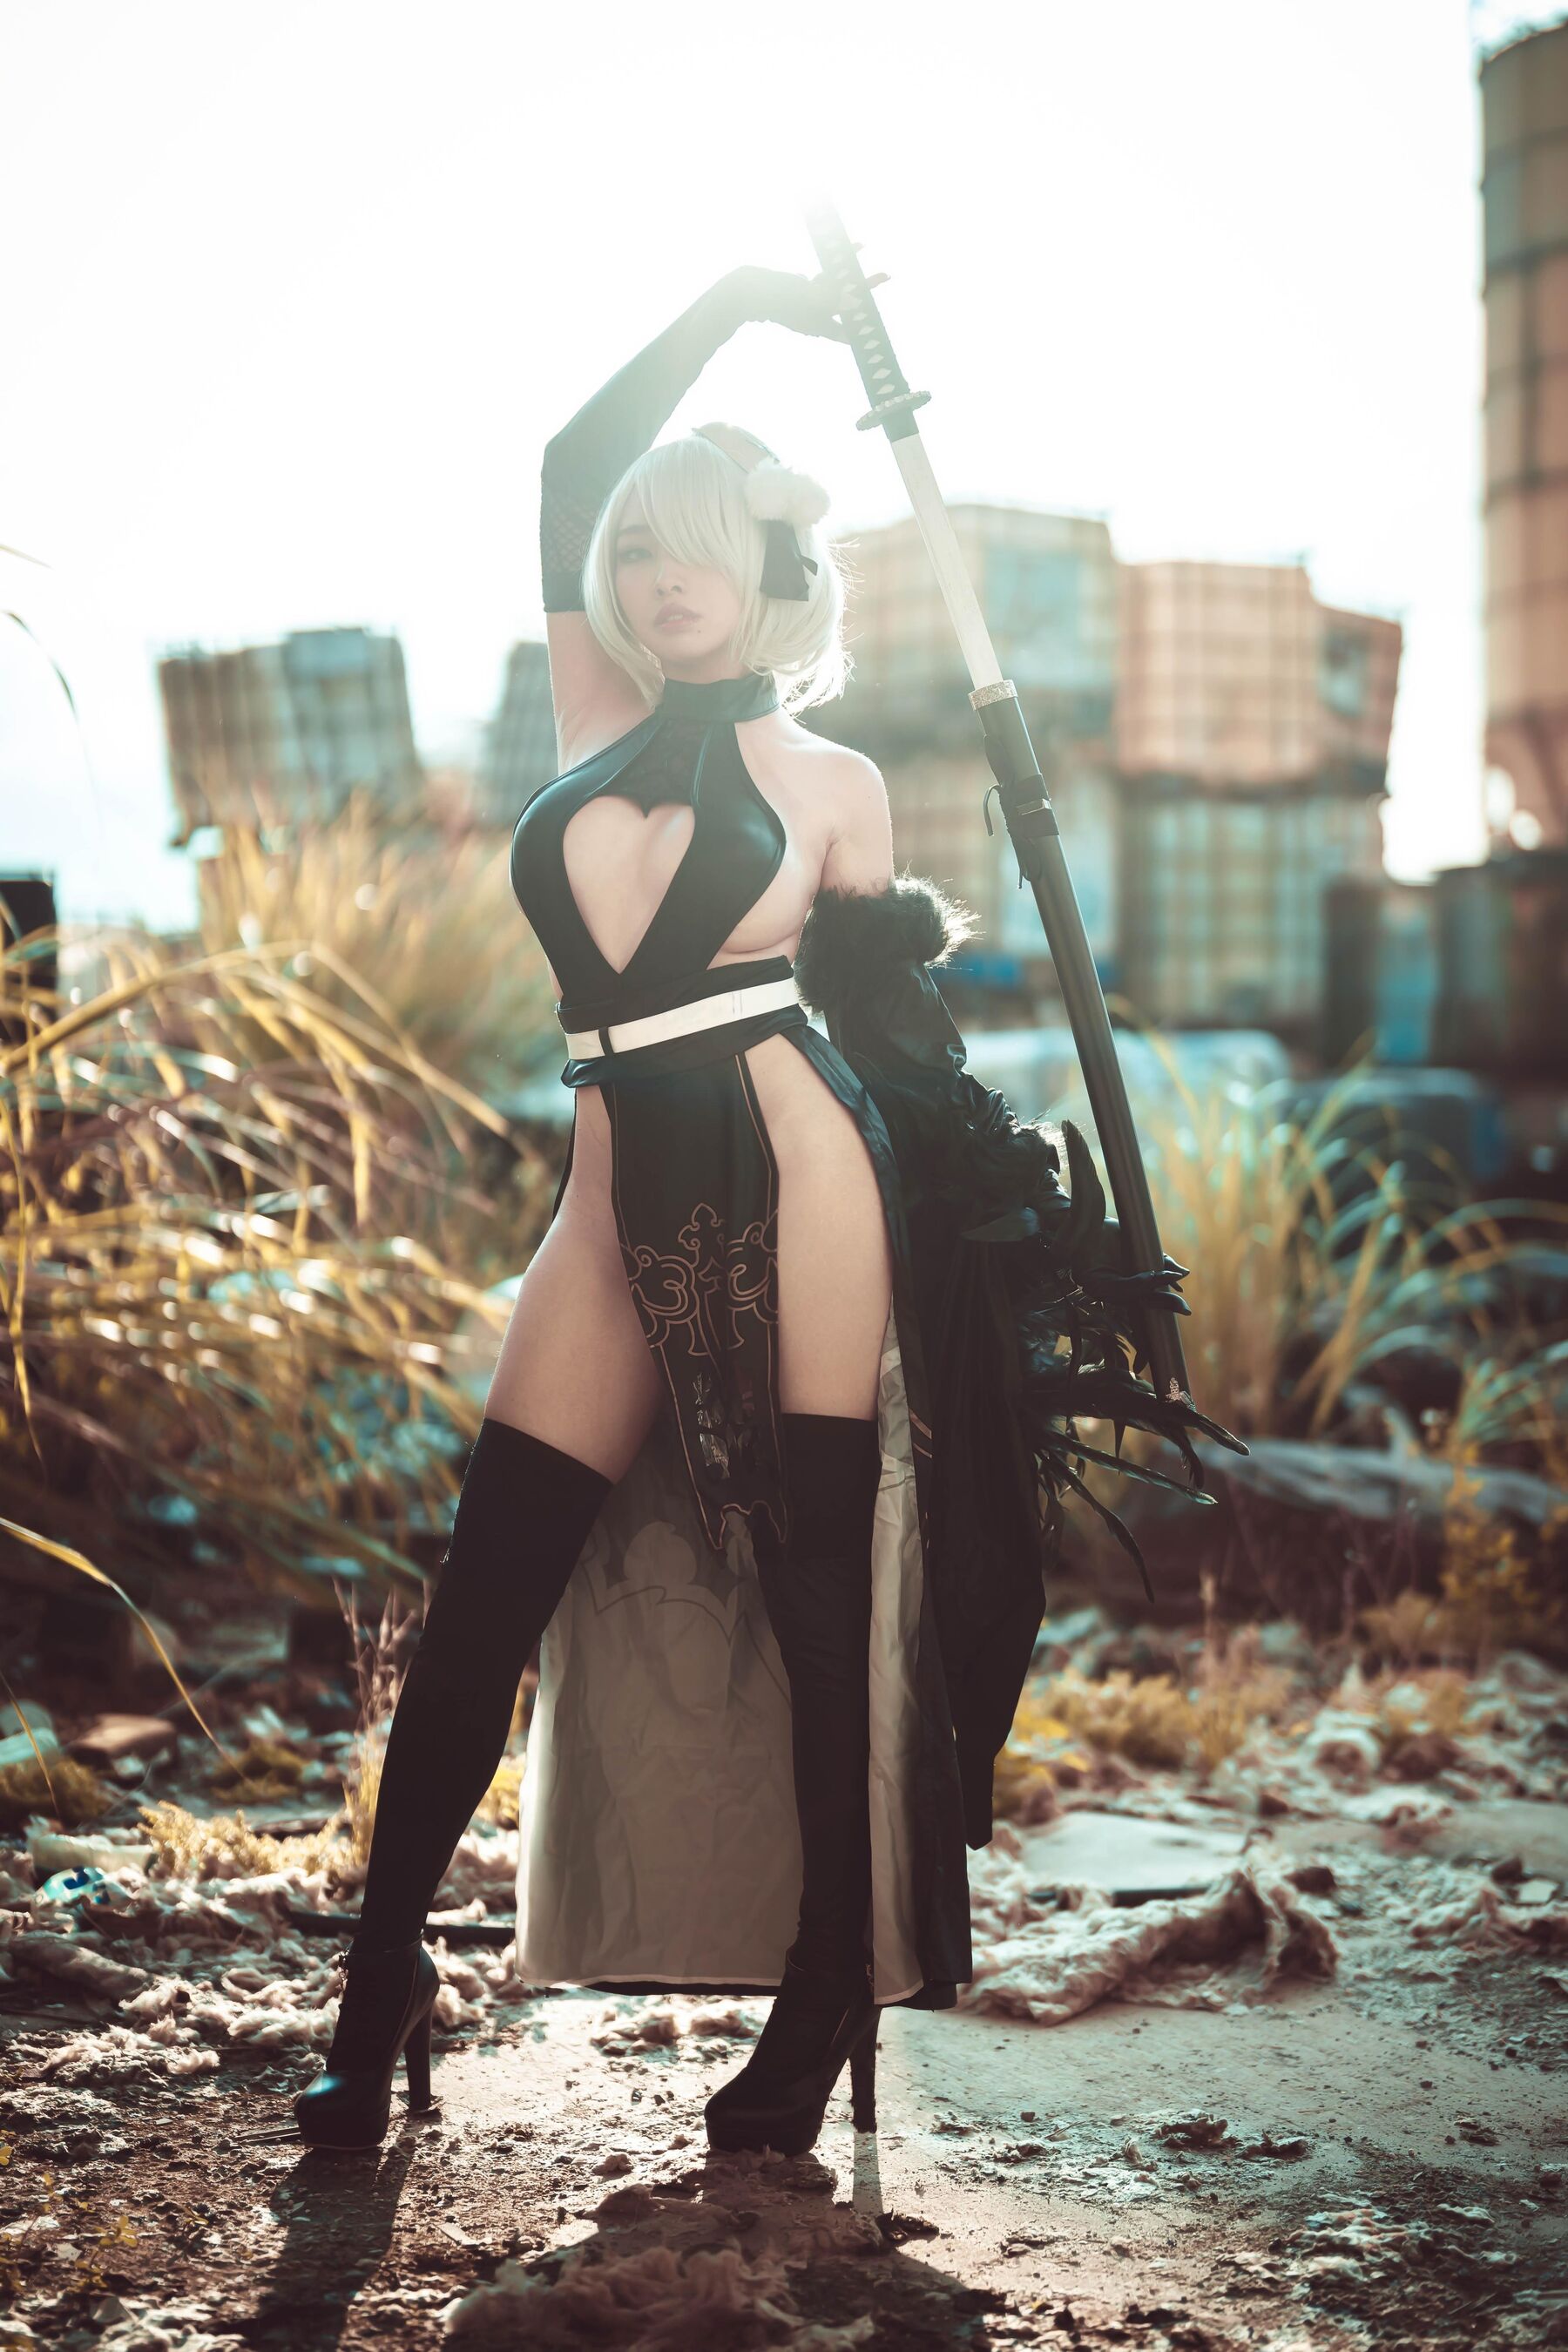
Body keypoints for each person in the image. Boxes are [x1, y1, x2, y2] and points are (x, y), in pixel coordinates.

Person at [291, 265, 1244, 2158]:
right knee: (484, 1600)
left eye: (703, 549)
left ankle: (822, 1995)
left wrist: (1038, 1256)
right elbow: (569, 460)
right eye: (644, 549)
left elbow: (898, 1056)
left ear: (768, 569)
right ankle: (377, 1983)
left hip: (806, 1185)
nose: (663, 578)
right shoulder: (591, 709)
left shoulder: (834, 780)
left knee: (818, 1604)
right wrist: (734, 303)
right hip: (608, 1208)